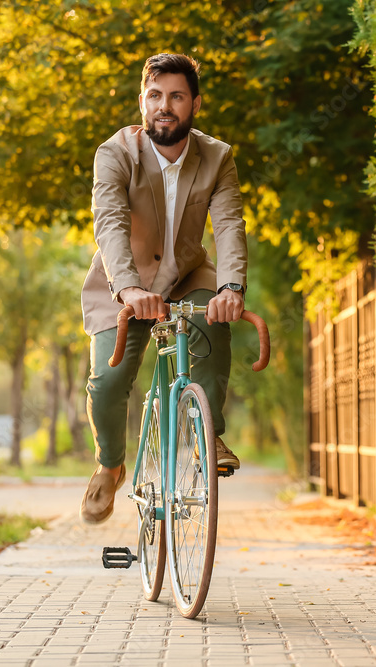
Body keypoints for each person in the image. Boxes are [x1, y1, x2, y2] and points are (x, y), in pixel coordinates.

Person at [79, 53, 247, 525]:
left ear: (194, 103)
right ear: (142, 102)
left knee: (212, 328)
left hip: (189, 279)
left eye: (176, 96)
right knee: (108, 383)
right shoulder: (114, 153)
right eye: (155, 96)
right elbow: (110, 222)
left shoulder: (218, 156)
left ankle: (206, 434)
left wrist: (231, 286)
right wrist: (129, 288)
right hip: (124, 287)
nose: (164, 106)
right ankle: (110, 463)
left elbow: (230, 224)